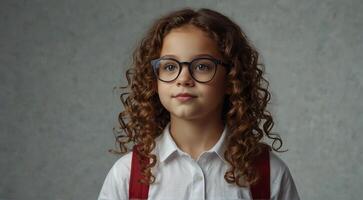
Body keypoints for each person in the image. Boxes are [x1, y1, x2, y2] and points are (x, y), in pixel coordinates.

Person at [98, 7, 300, 200]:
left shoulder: (269, 173)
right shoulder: (126, 174)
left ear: (232, 79)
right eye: (169, 66)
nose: (183, 78)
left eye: (202, 66)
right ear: (155, 81)